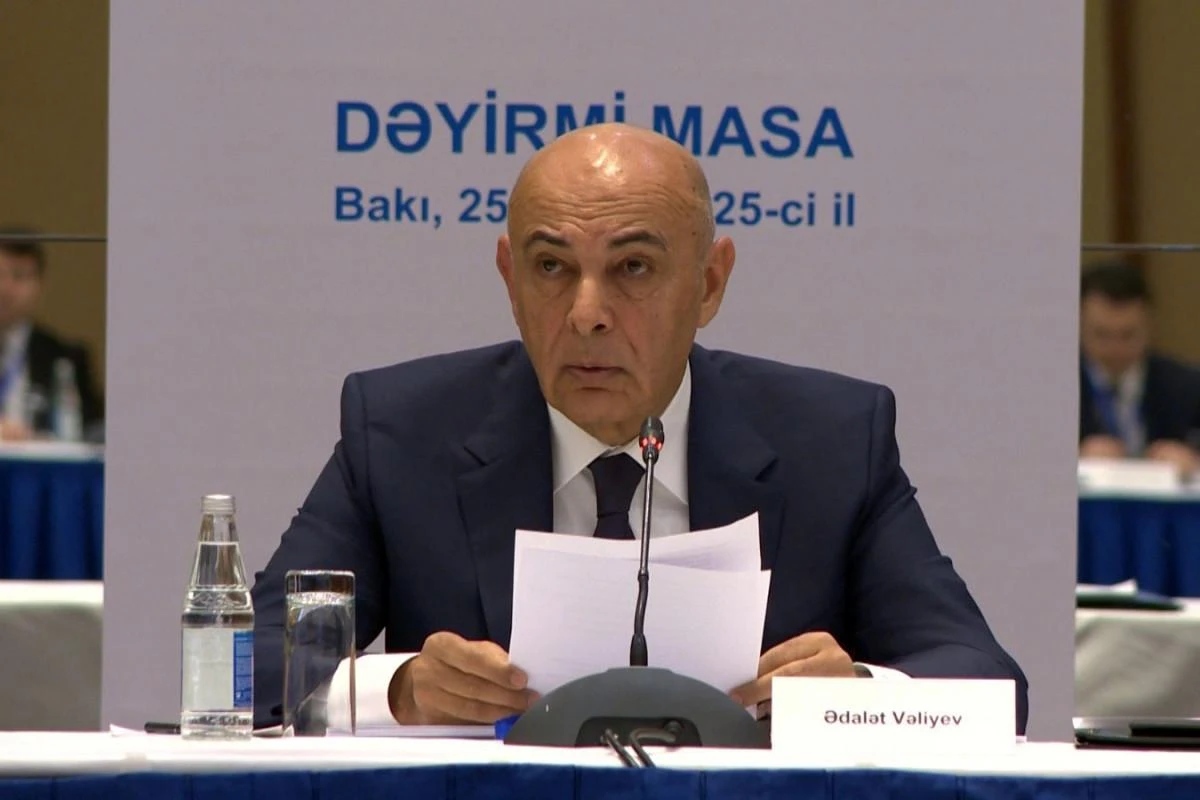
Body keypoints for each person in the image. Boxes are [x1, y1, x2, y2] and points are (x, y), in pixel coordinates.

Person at [251, 124, 1027, 732]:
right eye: (551, 267)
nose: (587, 314)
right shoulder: (402, 432)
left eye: (633, 269)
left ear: (710, 283)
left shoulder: (830, 441)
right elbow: (245, 662)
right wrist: (400, 689)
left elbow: (984, 681)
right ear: (510, 279)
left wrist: (855, 690)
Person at [1078, 260, 1200, 476]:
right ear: (1079, 326)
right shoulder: (1054, 388)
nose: (1115, 349)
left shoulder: (1187, 387)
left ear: (1149, 325)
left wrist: (1194, 461)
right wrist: (1073, 460)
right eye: (1101, 335)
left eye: (1128, 335)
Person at [0, 230, 104, 441]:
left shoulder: (66, 357)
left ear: (39, 285)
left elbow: (94, 430)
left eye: (19, 276)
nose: (5, 289)